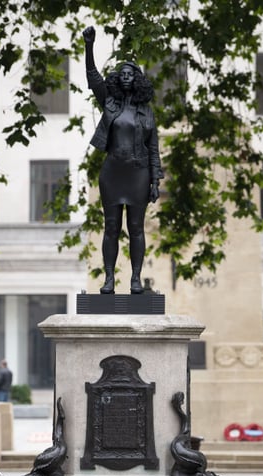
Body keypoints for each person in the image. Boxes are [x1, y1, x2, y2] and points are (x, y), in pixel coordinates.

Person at [83, 25, 164, 295]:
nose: (127, 77)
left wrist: (155, 181)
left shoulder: (147, 112)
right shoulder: (110, 103)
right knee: (111, 228)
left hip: (139, 173)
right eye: (123, 74)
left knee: (136, 228)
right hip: (112, 173)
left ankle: (136, 279)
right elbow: (93, 78)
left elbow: (153, 148)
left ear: (137, 79)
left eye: (131, 74)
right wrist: (89, 46)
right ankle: (108, 279)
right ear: (119, 79)